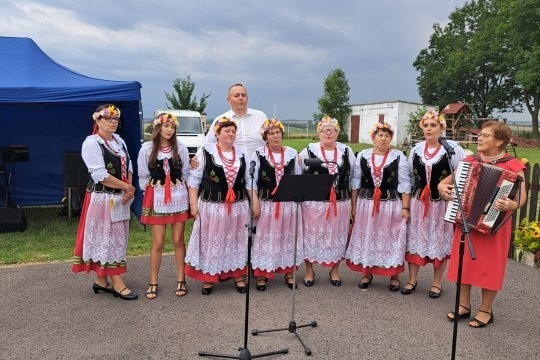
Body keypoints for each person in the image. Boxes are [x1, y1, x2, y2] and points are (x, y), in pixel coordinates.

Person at [440, 121, 526, 328]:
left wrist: (512, 203)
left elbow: (522, 197)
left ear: (499, 141)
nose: (480, 137)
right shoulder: (470, 161)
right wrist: (443, 188)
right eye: (481, 134)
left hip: (494, 225)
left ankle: (486, 310)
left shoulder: (513, 165)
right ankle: (463, 305)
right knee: (464, 263)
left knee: (491, 268)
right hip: (466, 221)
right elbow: (445, 183)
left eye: (486, 135)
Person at [72, 104, 137, 300]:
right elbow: (100, 174)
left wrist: (129, 187)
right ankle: (117, 281)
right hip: (102, 198)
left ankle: (101, 281)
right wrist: (126, 187)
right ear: (97, 120)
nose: (113, 121)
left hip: (120, 197)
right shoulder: (91, 143)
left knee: (117, 237)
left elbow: (129, 166)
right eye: (108, 118)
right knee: (107, 237)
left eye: (115, 118)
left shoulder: (119, 141)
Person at [402, 110, 465, 298]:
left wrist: (446, 186)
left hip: (440, 204)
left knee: (438, 240)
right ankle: (412, 279)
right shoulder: (416, 150)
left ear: (442, 128)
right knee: (415, 239)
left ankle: (437, 283)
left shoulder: (451, 149)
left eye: (433, 125)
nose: (429, 129)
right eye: (426, 125)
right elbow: (411, 176)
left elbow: (460, 174)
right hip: (418, 202)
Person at [184, 116, 250, 295]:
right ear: (217, 133)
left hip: (238, 206)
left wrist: (254, 202)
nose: (231, 134)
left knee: (236, 239)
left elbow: (249, 180)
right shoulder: (205, 151)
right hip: (212, 205)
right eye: (226, 130)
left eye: (233, 131)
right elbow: (194, 179)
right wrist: (193, 204)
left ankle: (237, 274)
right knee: (212, 240)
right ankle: (208, 276)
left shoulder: (242, 152)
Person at [345, 122, 411, 291]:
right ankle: (367, 272)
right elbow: (355, 182)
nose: (383, 139)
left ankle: (394, 274)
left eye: (387, 136)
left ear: (391, 138)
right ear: (373, 138)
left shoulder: (398, 157)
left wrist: (405, 208)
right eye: (380, 135)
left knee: (390, 238)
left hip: (390, 205)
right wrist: (353, 207)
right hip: (366, 205)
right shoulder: (364, 155)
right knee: (369, 237)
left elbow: (404, 184)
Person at [137, 112, 191, 299]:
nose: (169, 130)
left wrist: (178, 188)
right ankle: (153, 281)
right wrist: (152, 193)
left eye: (172, 126)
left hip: (178, 196)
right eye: (166, 126)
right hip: (157, 196)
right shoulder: (146, 149)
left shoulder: (181, 148)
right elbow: (143, 176)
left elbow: (186, 173)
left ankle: (181, 279)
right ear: (158, 127)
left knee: (178, 240)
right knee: (158, 242)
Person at [298, 116, 355, 287]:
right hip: (314, 204)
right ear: (318, 133)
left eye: (332, 130)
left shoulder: (347, 151)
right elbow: (298, 174)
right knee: (311, 236)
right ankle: (309, 270)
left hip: (340, 202)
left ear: (338, 133)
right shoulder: (308, 151)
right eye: (324, 129)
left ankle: (334, 269)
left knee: (337, 236)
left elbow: (353, 178)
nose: (328, 132)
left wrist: (353, 204)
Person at [248, 118, 303, 291]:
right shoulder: (258, 154)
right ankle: (262, 273)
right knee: (264, 238)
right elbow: (251, 181)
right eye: (271, 133)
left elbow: (298, 178)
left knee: (286, 237)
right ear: (265, 136)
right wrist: (255, 201)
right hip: (266, 204)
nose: (275, 136)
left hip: (287, 204)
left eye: (277, 132)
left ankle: (288, 271)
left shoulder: (292, 153)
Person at [203, 83, 267, 156]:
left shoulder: (260, 117)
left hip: (259, 165)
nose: (241, 98)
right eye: (236, 95)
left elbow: (270, 142)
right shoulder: (220, 120)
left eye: (243, 95)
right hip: (232, 165)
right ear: (228, 100)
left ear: (247, 98)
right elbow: (207, 144)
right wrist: (196, 160)